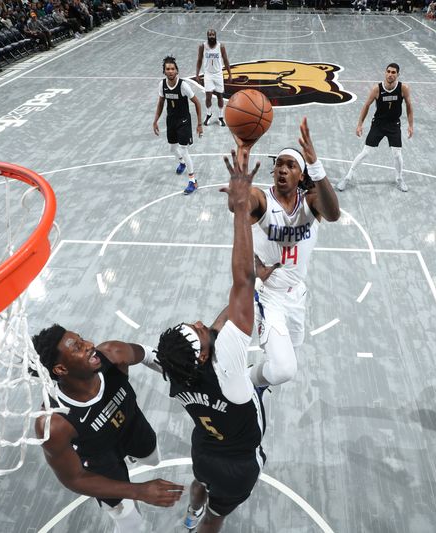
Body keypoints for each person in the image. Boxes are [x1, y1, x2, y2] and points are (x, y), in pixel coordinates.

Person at [154, 139, 265, 533]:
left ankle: (190, 512)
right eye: (200, 332)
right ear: (203, 356)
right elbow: (243, 280)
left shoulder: (176, 369)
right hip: (237, 462)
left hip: (204, 447)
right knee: (218, 516)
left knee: (200, 483)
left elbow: (221, 325)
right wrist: (240, 210)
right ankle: (201, 521)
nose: (202, 323)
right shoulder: (231, 369)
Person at [31, 325, 184, 532]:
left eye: (82, 339)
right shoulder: (54, 422)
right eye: (78, 347)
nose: (90, 345)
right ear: (61, 369)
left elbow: (147, 354)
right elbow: (74, 478)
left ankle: (130, 456)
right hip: (100, 459)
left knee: (153, 459)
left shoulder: (113, 354)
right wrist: (139, 491)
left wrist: (183, 377)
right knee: (130, 521)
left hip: (133, 427)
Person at [240, 118, 340, 390]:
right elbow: (241, 202)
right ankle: (243, 383)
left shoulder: (311, 203)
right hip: (269, 294)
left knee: (288, 358)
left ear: (301, 175)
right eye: (278, 164)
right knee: (284, 370)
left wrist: (316, 166)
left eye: (290, 165)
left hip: (297, 294)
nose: (282, 169)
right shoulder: (262, 200)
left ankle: (257, 378)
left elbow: (334, 213)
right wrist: (241, 168)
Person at [338, 63, 414, 192]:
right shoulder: (377, 89)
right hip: (378, 124)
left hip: (394, 125)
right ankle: (348, 177)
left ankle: (399, 178)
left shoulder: (403, 88)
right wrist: (359, 124)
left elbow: (409, 106)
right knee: (366, 152)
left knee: (397, 154)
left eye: (393, 72)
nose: (390, 74)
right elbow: (366, 106)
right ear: (385, 72)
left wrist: (411, 125)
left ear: (398, 74)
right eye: (388, 71)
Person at [152, 55, 203, 196]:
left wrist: (199, 124)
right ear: (164, 71)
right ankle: (181, 162)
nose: (170, 71)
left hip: (184, 121)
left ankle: (193, 181)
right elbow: (161, 103)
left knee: (183, 149)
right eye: (167, 69)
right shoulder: (162, 85)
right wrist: (155, 120)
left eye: (172, 69)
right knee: (172, 149)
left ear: (176, 71)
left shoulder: (183, 86)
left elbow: (197, 103)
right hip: (171, 120)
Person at [195, 29, 232, 127]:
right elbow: (199, 60)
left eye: (213, 34)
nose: (211, 36)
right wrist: (197, 74)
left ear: (215, 36)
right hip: (208, 74)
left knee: (220, 96)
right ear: (207, 36)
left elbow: (226, 60)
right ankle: (208, 114)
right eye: (210, 34)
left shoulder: (221, 46)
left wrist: (230, 74)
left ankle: (220, 117)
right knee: (208, 97)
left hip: (218, 74)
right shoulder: (203, 46)